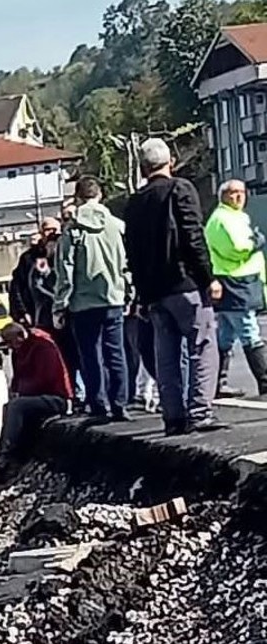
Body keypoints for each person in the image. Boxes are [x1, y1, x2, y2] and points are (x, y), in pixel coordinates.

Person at [122, 138, 227, 435]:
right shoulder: (180, 189)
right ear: (171, 161)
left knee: (166, 354)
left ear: (143, 168)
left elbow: (132, 252)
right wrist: (208, 277)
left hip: (154, 291)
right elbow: (192, 236)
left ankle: (173, 416)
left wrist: (141, 294)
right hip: (184, 283)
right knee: (202, 345)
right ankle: (200, 411)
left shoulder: (134, 203)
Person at [53, 177, 131, 422]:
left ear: (77, 197)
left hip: (83, 303)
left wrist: (60, 305)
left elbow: (65, 270)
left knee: (90, 355)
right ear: (100, 195)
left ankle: (98, 405)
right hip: (113, 297)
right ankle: (120, 404)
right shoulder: (116, 225)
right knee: (116, 353)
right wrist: (128, 292)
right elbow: (126, 263)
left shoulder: (72, 230)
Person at [205, 178, 267, 398]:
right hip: (233, 283)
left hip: (241, 281)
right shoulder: (221, 219)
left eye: (242, 191)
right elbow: (236, 249)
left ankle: (217, 384)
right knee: (249, 332)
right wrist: (256, 243)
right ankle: (264, 380)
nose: (239, 196)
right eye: (233, 192)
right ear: (223, 196)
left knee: (225, 335)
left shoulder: (237, 217)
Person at [0, 323, 73, 464]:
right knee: (9, 405)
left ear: (21, 336)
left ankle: (7, 452)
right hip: (36, 396)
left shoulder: (43, 347)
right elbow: (17, 378)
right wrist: (14, 391)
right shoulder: (19, 351)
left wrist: (22, 392)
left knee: (17, 405)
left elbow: (46, 379)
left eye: (10, 342)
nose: (9, 346)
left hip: (57, 398)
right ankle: (6, 449)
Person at [9, 217, 62, 329]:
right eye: (48, 230)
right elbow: (17, 287)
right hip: (39, 316)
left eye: (55, 230)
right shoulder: (29, 258)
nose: (52, 234)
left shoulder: (67, 255)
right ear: (41, 233)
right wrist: (22, 312)